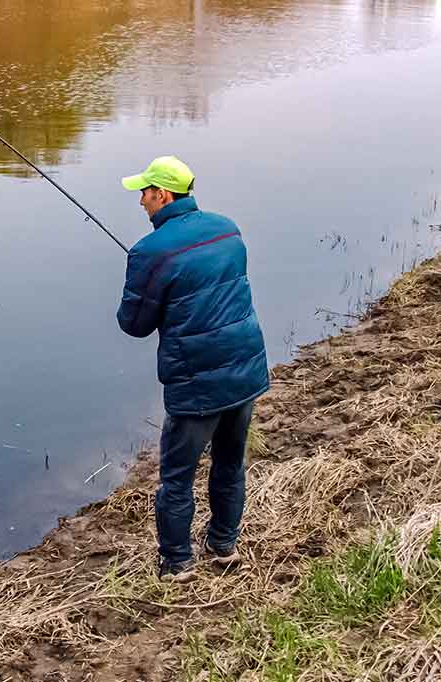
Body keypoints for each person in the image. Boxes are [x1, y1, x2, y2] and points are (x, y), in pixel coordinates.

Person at [116, 155, 269, 583]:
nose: (141, 201)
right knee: (229, 461)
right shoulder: (228, 229)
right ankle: (223, 544)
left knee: (177, 477)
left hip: (197, 379)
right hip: (245, 367)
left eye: (145, 193)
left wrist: (145, 281)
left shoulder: (149, 252)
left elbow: (134, 325)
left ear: (163, 195)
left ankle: (178, 563)